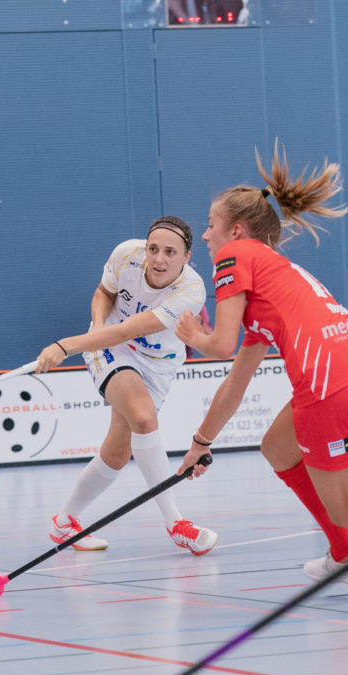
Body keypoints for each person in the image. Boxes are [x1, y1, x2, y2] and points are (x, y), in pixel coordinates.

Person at [172, 145, 348, 607]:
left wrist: (192, 334)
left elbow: (220, 345)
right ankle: (345, 556)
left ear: (236, 230)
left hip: (330, 388)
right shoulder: (270, 275)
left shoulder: (235, 254)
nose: (204, 235)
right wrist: (201, 443)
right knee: (277, 447)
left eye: (210, 224)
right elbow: (236, 381)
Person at [35, 216, 219, 556]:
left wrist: (64, 346)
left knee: (119, 453)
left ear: (186, 257)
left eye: (170, 252)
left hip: (157, 363)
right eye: (153, 249)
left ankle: (64, 522)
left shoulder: (191, 291)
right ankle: (176, 523)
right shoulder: (126, 255)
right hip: (111, 347)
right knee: (144, 418)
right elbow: (104, 293)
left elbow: (130, 329)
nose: (159, 259)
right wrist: (96, 329)